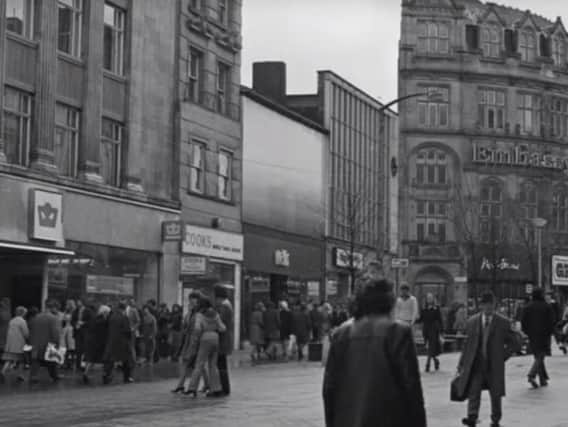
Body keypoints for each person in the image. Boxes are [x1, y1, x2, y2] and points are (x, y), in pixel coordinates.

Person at [323, 279, 426, 427]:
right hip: (390, 419)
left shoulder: (341, 333)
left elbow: (329, 387)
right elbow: (411, 386)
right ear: (389, 302)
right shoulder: (398, 332)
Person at [455, 292, 519, 427]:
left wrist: (503, 356)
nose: (489, 308)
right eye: (486, 305)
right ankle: (472, 416)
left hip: (494, 364)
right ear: (482, 306)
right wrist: (461, 364)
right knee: (474, 390)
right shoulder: (472, 322)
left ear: (495, 305)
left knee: (495, 394)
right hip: (476, 363)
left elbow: (516, 342)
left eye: (492, 305)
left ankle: (495, 419)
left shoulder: (503, 322)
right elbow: (468, 345)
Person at [185, 297, 226, 398]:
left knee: (199, 363)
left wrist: (195, 341)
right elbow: (222, 328)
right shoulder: (215, 314)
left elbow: (197, 328)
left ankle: (192, 388)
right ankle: (216, 389)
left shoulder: (200, 315)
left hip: (205, 337)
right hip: (215, 338)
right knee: (213, 365)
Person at [173, 291, 207, 394]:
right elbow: (185, 325)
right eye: (190, 299)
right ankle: (180, 385)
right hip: (188, 341)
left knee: (197, 364)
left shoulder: (199, 313)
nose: (191, 302)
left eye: (193, 299)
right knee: (188, 362)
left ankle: (206, 383)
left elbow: (197, 329)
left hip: (195, 341)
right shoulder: (190, 312)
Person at [521, 288, 556, 389]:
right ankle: (532, 375)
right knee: (541, 356)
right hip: (544, 335)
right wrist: (551, 332)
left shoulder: (527, 307)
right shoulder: (546, 307)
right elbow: (551, 321)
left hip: (532, 335)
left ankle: (542, 379)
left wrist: (527, 332)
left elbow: (523, 321)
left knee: (538, 356)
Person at [29, 300, 62, 384]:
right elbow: (56, 333)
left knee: (36, 360)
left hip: (36, 343)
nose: (57, 311)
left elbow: (32, 330)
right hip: (49, 343)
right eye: (57, 309)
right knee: (52, 360)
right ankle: (54, 376)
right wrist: (57, 343)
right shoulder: (54, 318)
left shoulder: (36, 317)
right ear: (53, 308)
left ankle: (34, 376)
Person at [103, 302, 134, 385]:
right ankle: (127, 377)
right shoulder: (124, 318)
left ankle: (106, 375)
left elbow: (107, 328)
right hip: (122, 342)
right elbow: (128, 331)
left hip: (112, 341)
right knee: (127, 359)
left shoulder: (111, 317)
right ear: (123, 309)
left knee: (110, 359)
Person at [82, 305, 110, 384]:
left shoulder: (94, 319)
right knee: (104, 360)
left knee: (91, 360)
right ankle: (105, 375)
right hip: (100, 343)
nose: (108, 314)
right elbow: (105, 333)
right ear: (104, 312)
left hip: (92, 343)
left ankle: (85, 374)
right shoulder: (104, 321)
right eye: (107, 312)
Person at [1, 306, 29, 383]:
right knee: (21, 360)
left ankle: (2, 371)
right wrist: (28, 339)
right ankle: (20, 375)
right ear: (22, 313)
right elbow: (26, 333)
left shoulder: (12, 321)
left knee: (9, 359)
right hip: (19, 344)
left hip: (10, 344)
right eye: (25, 313)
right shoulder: (22, 321)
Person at [214, 285, 234, 396]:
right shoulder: (227, 305)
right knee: (222, 364)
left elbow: (220, 322)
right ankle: (224, 388)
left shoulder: (224, 307)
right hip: (225, 339)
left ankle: (224, 388)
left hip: (223, 340)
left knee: (221, 365)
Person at [420, 293, 443, 373]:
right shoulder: (423, 308)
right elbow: (421, 319)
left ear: (433, 299)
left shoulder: (436, 308)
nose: (429, 299)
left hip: (434, 329)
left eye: (431, 298)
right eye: (428, 298)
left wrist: (441, 332)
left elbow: (440, 320)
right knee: (430, 347)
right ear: (426, 300)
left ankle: (427, 365)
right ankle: (436, 360)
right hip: (426, 329)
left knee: (431, 347)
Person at [126, 299, 141, 364]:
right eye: (130, 302)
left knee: (132, 346)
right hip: (126, 330)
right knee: (127, 346)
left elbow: (138, 321)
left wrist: (134, 328)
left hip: (132, 331)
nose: (131, 303)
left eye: (133, 302)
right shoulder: (126, 310)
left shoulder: (134, 310)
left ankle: (133, 360)